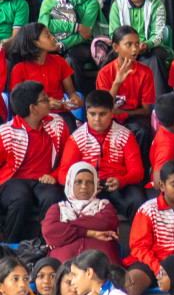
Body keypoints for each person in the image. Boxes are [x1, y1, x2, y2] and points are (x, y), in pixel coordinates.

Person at [57, 88, 147, 217]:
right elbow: (63, 174)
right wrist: (86, 181)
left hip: (119, 185)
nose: (97, 119)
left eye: (102, 114)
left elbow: (137, 172)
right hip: (87, 186)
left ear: (112, 113)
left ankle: (136, 237)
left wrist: (122, 180)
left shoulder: (125, 135)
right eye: (92, 114)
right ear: (86, 114)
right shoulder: (76, 138)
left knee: (136, 200)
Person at [0, 80, 67, 242]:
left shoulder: (57, 124)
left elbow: (68, 157)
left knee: (52, 196)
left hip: (46, 178)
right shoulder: (6, 133)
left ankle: (45, 246)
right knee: (20, 198)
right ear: (33, 108)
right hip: (14, 180)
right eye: (44, 99)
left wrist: (56, 174)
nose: (49, 100)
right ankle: (10, 247)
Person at [43, 161, 124, 264]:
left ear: (95, 184)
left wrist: (66, 227)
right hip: (64, 271)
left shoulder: (104, 206)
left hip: (101, 270)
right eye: (78, 182)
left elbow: (107, 224)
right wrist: (90, 233)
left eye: (89, 182)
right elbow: (50, 231)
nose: (84, 186)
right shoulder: (58, 208)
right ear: (70, 183)